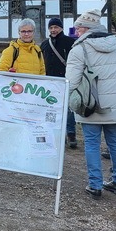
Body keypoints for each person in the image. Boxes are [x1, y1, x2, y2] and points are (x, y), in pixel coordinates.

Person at [65, 9, 116, 199]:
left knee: (91, 144)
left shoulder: (79, 49)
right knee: (115, 142)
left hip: (89, 106)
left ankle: (95, 185)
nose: (76, 32)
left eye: (78, 28)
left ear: (85, 28)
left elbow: (71, 82)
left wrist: (67, 102)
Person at [40, 17, 77, 148]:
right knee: (51, 108)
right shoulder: (45, 44)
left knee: (69, 109)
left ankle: (71, 133)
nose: (53, 30)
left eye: (56, 27)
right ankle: (55, 134)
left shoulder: (70, 42)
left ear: (61, 28)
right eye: (51, 28)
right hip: (49, 80)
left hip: (65, 80)